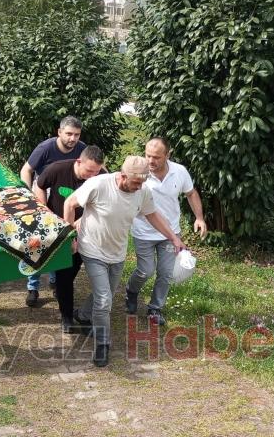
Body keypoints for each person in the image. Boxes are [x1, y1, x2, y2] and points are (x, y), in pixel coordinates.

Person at [64, 156, 184, 367]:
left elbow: (152, 215)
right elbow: (69, 203)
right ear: (122, 176)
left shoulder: (143, 191)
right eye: (136, 183)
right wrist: (69, 235)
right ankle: (103, 344)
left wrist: (173, 237)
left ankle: (82, 315)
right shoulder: (98, 184)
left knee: (106, 293)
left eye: (142, 183)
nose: (139, 187)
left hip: (117, 253)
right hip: (92, 249)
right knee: (104, 300)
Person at [126, 138, 208, 325]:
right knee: (145, 271)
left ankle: (155, 308)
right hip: (143, 232)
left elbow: (191, 193)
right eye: (148, 155)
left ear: (167, 155)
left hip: (170, 233)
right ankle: (131, 291)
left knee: (165, 273)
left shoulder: (179, 172)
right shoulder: (139, 172)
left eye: (156, 157)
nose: (150, 161)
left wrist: (199, 217)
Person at [35, 146, 106, 332]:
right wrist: (44, 210)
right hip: (61, 229)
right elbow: (39, 186)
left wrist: (84, 219)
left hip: (90, 230)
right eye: (89, 171)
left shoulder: (102, 176)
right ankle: (67, 318)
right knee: (64, 274)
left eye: (97, 172)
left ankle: (62, 292)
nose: (93, 176)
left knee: (75, 268)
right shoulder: (57, 169)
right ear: (78, 162)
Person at [19, 116, 87, 307]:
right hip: (44, 196)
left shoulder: (82, 149)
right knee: (38, 243)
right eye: (69, 134)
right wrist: (31, 199)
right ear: (59, 132)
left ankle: (57, 281)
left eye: (76, 135)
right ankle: (33, 286)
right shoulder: (46, 148)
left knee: (62, 241)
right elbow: (27, 170)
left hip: (68, 199)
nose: (73, 139)